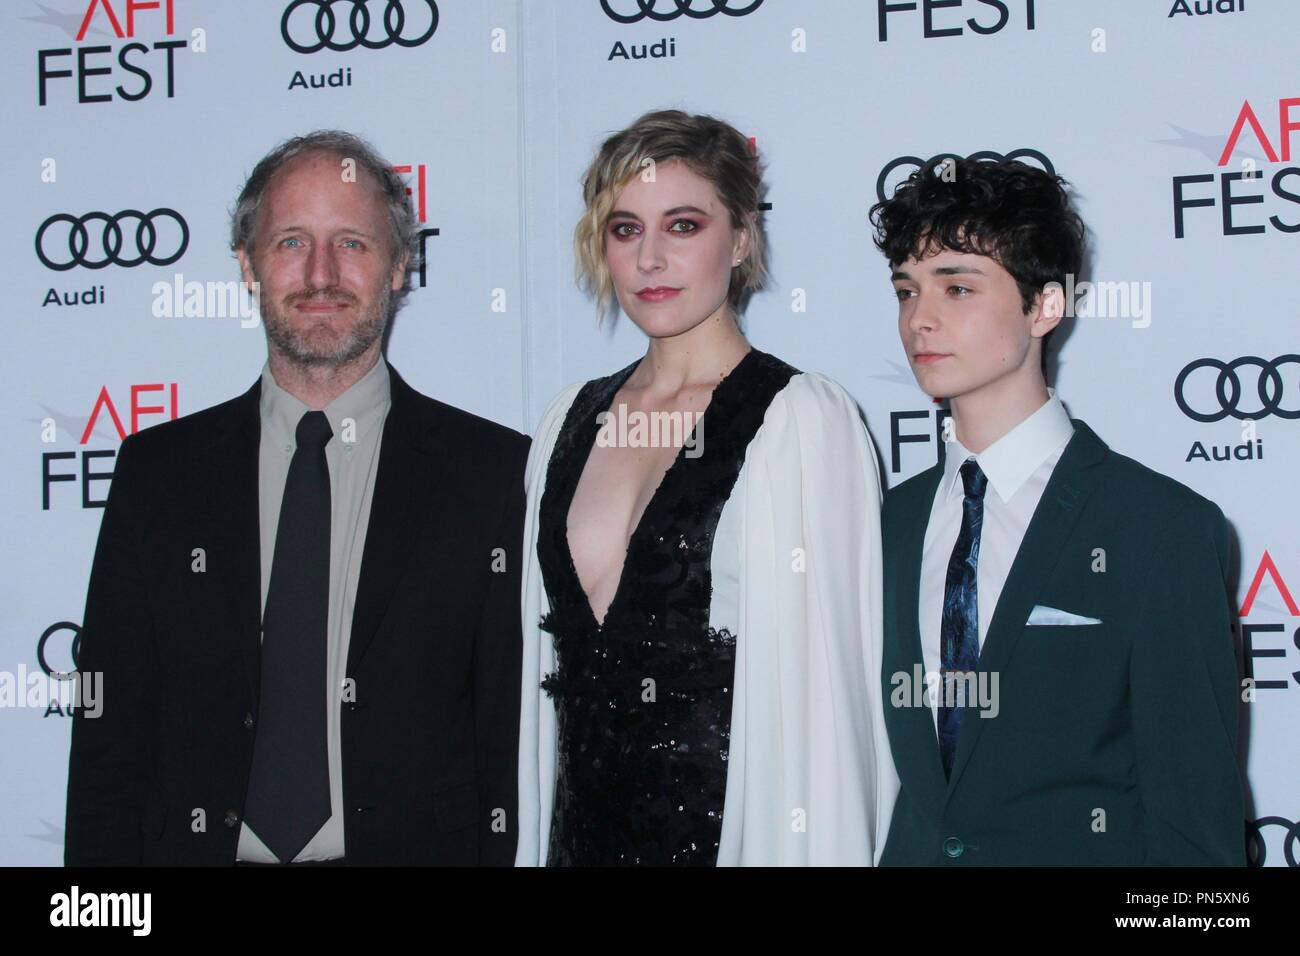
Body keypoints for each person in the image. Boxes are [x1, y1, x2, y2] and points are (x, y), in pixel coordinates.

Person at [65, 130, 527, 866]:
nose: (320, 274)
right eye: (289, 243)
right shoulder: (159, 475)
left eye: (352, 243)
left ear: (401, 266)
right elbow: (109, 739)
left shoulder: (494, 474)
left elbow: (510, 742)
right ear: (246, 266)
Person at [515, 109, 896, 866]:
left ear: (742, 238)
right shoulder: (569, 420)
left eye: (682, 225)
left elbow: (829, 715)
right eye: (626, 230)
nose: (651, 258)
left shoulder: (799, 422)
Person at [870, 156, 1245, 865]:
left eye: (957, 287)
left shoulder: (1158, 528)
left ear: (1044, 306)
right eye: (906, 289)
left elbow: (1197, 822)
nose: (920, 318)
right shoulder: (888, 522)